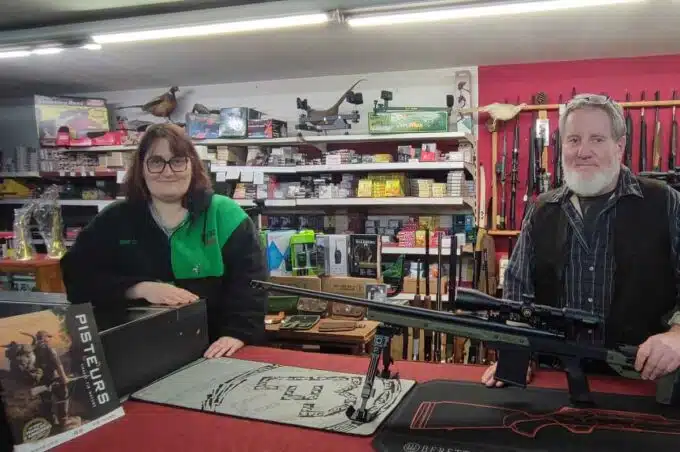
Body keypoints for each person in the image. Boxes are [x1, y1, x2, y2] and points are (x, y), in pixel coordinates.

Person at [482, 93, 680, 388]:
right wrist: (517, 354)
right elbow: (517, 293)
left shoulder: (665, 202)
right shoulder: (542, 209)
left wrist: (677, 335)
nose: (583, 151)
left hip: (644, 383)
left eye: (597, 139)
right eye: (574, 140)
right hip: (556, 380)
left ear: (620, 146)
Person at [60, 123, 267, 358]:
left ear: (192, 165)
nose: (168, 172)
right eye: (156, 162)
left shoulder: (225, 215)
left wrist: (238, 333)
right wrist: (138, 288)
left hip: (216, 350)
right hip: (138, 353)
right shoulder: (114, 219)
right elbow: (77, 277)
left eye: (177, 161)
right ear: (141, 168)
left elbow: (252, 283)